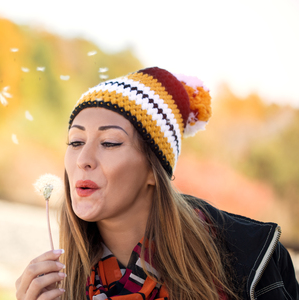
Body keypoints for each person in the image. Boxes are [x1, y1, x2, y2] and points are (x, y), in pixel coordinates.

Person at [15, 67, 299, 300]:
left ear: (154, 170)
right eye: (76, 142)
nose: (83, 160)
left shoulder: (251, 261)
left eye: (109, 143)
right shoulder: (59, 286)